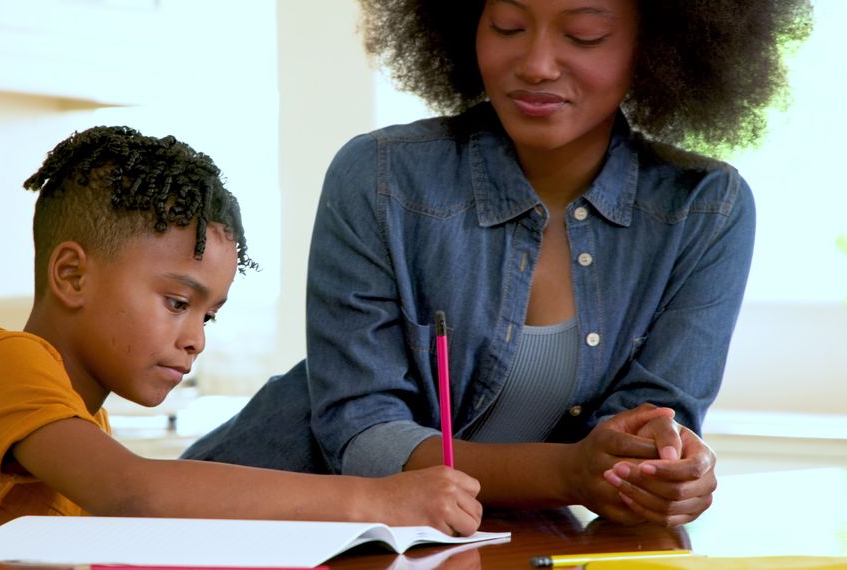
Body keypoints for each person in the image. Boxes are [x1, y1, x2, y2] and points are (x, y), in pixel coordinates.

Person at [184, 0, 813, 528]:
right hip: (265, 522)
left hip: (503, 545)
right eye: (507, 26)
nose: (536, 65)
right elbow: (361, 433)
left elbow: (649, 423)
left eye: (583, 34)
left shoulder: (704, 209)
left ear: (655, 45)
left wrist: (665, 469)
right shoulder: (380, 177)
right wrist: (571, 473)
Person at [0, 126, 483, 559]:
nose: (194, 339)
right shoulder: (2, 364)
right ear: (72, 274)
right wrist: (377, 500)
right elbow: (135, 492)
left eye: (209, 316)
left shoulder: (82, 418)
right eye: (176, 303)